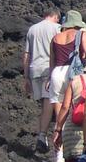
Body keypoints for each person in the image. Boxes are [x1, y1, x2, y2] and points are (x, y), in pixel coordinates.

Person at [47, 11, 86, 162]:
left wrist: (48, 79)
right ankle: (76, 149)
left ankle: (58, 156)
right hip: (73, 74)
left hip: (56, 74)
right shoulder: (81, 34)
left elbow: (51, 62)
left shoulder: (55, 38)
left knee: (59, 115)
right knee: (73, 111)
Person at [24, 8, 61, 153]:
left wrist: (26, 77)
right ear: (55, 17)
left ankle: (43, 136)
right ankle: (43, 136)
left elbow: (26, 55)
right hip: (48, 69)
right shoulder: (57, 28)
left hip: (34, 69)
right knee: (49, 103)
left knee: (44, 104)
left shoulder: (32, 29)